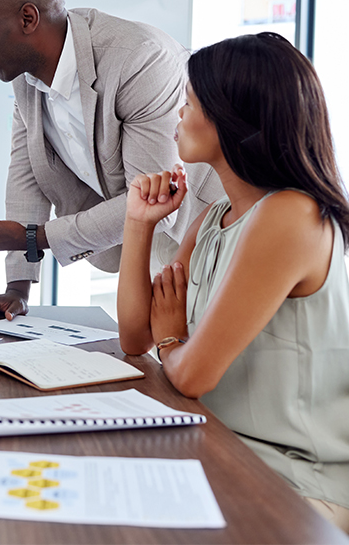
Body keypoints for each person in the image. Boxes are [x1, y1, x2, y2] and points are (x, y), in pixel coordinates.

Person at [118, 32, 349, 531]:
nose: (178, 115)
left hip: (290, 481)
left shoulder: (290, 214)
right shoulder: (213, 218)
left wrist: (172, 338)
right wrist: (139, 224)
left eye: (189, 103)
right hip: (217, 448)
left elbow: (190, 373)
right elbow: (136, 337)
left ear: (233, 118)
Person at [0, 0, 223, 322]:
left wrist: (35, 238)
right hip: (143, 248)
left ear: (28, 18)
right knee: (158, 357)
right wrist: (16, 290)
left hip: (210, 229)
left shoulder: (138, 60)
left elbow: (154, 197)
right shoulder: (27, 80)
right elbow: (26, 177)